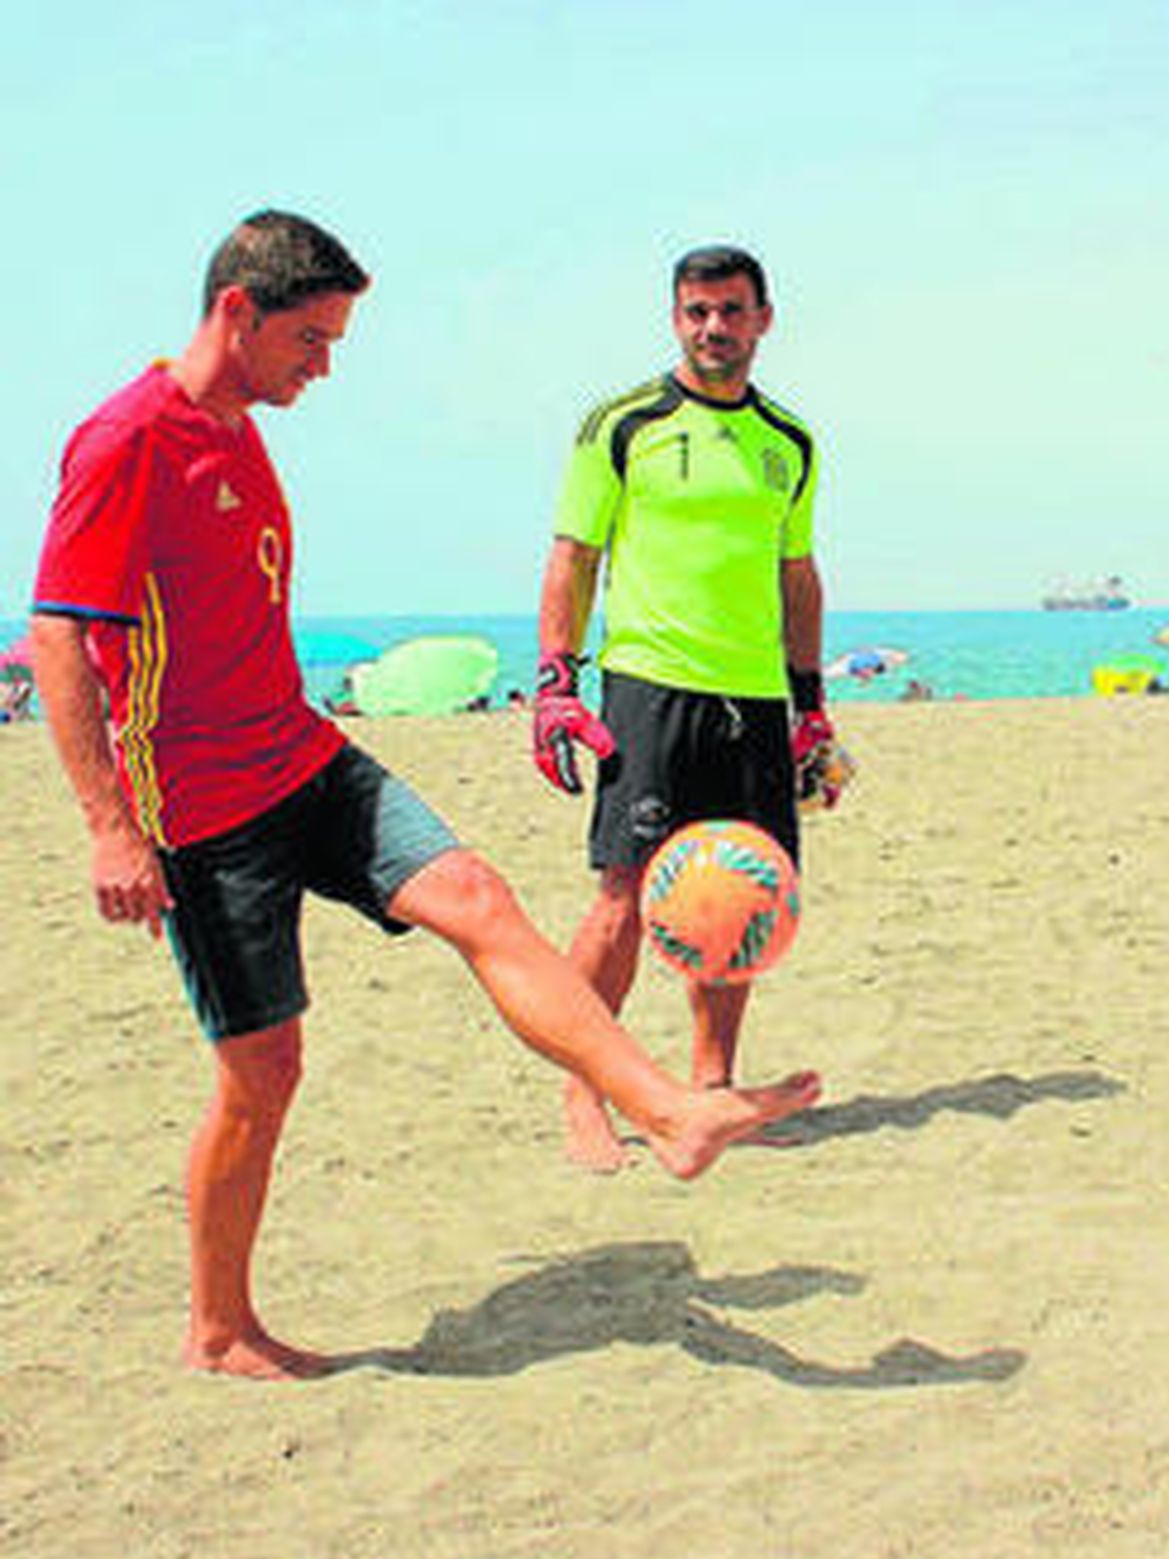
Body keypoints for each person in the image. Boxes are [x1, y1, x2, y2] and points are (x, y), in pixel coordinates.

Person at [29, 211, 820, 1381]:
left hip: (305, 756)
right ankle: (217, 1329)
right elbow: (58, 638)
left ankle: (664, 1111)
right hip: (200, 808)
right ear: (238, 313)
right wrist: (109, 827)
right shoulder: (125, 440)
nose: (325, 363)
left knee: (478, 897)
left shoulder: (240, 424)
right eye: (313, 337)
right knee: (262, 1077)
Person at [533, 244, 835, 1172]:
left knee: (739, 895)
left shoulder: (790, 441)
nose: (715, 328)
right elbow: (575, 556)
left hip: (752, 696)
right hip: (650, 684)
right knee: (624, 896)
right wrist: (555, 683)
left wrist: (811, 705)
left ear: (763, 319)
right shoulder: (622, 425)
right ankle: (588, 1087)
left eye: (732, 311)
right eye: (698, 311)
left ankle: (713, 1084)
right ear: (676, 319)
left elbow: (798, 577)